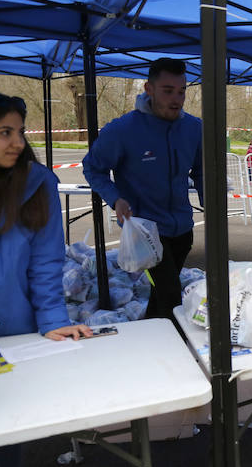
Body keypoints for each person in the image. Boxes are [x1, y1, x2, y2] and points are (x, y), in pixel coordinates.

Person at [0, 92, 93, 467]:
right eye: (4, 132)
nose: (17, 142)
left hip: (14, 326)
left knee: (9, 413)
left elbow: (46, 262)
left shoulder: (38, 183)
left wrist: (53, 318)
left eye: (19, 131)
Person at [83, 57, 203, 321]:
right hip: (146, 234)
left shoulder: (194, 128)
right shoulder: (123, 130)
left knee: (162, 295)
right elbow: (92, 168)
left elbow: (201, 169)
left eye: (182, 91)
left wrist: (210, 199)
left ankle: (148, 335)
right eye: (168, 91)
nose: (176, 99)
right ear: (149, 89)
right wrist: (116, 199)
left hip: (183, 229)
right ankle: (179, 354)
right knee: (172, 295)